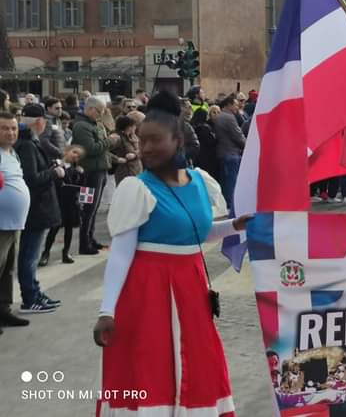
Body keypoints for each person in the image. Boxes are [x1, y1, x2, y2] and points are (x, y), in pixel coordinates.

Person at [92, 91, 244, 415]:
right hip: (148, 291)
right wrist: (107, 311)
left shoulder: (201, 182)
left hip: (191, 287)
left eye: (155, 141)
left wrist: (236, 225)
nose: (145, 149)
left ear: (177, 141)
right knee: (152, 364)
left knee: (198, 362)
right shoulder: (137, 188)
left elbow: (198, 234)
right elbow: (120, 253)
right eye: (142, 141)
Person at [13, 104, 66, 313]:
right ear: (39, 122)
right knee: (29, 255)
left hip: (38, 206)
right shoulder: (27, 145)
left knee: (31, 254)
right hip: (36, 208)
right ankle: (30, 297)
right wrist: (55, 172)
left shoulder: (30, 142)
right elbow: (31, 178)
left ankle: (34, 292)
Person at [0, 112, 33, 334]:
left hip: (14, 222)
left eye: (13, 128)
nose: (11, 132)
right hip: (1, 223)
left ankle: (3, 309)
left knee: (7, 269)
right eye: (4, 128)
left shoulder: (11, 153)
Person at [71, 95, 116, 255]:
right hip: (89, 173)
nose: (101, 114)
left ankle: (90, 238)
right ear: (90, 109)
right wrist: (109, 141)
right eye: (99, 111)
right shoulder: (82, 126)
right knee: (88, 208)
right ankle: (84, 243)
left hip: (99, 170)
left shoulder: (93, 124)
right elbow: (91, 148)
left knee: (93, 207)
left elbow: (101, 149)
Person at [39, 145, 84, 266]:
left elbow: (79, 185)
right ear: (66, 151)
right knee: (54, 228)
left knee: (69, 228)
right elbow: (53, 181)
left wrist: (81, 174)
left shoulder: (76, 169)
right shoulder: (56, 164)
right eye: (74, 152)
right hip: (59, 201)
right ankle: (46, 253)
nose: (75, 156)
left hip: (71, 202)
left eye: (78, 156)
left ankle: (66, 252)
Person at [214, 95, 246, 215]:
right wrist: (248, 145)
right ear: (229, 104)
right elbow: (238, 136)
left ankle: (227, 204)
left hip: (223, 153)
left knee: (226, 181)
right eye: (235, 104)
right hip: (231, 153)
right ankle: (232, 206)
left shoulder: (220, 116)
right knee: (231, 182)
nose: (237, 107)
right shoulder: (229, 118)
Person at [110, 115, 142, 185]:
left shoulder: (133, 136)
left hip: (136, 172)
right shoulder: (116, 137)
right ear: (127, 127)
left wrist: (134, 155)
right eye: (133, 126)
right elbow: (103, 151)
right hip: (124, 173)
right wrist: (117, 159)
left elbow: (142, 150)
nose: (135, 128)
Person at [191, 109, 219, 179]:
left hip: (197, 155)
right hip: (206, 156)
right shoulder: (204, 128)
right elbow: (211, 141)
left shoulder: (192, 125)